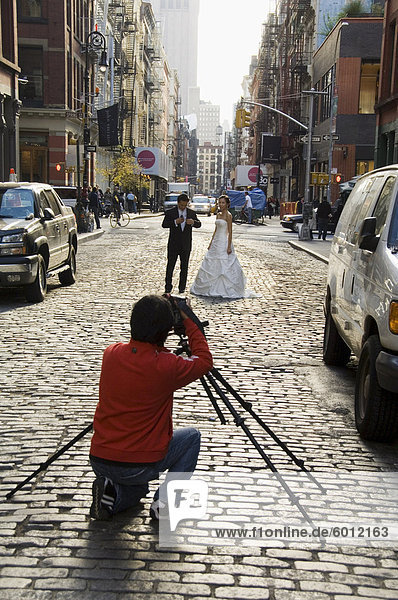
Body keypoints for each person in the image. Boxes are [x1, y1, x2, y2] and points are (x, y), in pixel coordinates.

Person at [89, 295, 213, 521]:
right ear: (165, 330)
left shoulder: (111, 353)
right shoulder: (167, 366)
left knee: (138, 490)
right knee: (192, 438)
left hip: (100, 459)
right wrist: (188, 318)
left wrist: (157, 310)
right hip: (139, 465)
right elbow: (203, 360)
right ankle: (163, 503)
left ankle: (111, 492)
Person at [190, 195, 258, 299]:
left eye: (223, 203)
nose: (221, 205)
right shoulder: (218, 214)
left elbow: (230, 232)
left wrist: (229, 246)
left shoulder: (228, 215)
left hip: (223, 242)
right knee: (211, 262)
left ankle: (225, 288)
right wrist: (211, 242)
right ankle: (209, 287)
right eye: (220, 202)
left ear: (227, 204)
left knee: (225, 264)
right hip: (216, 241)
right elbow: (216, 230)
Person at [162, 193, 201, 294]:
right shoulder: (170, 212)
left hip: (186, 244)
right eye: (181, 205)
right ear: (178, 203)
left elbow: (199, 224)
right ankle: (168, 286)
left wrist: (193, 222)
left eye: (185, 205)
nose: (183, 207)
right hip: (173, 244)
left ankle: (182, 287)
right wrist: (175, 222)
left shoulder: (191, 213)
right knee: (170, 266)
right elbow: (164, 224)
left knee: (184, 267)